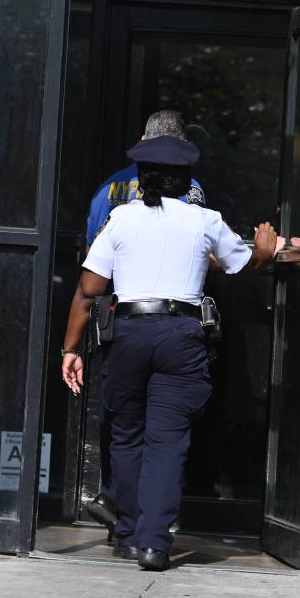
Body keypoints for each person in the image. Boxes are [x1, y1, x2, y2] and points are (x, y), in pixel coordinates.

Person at [60, 135, 280, 571]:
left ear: (141, 180)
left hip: (127, 333)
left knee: (125, 436)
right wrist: (265, 251)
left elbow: (88, 292)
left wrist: (70, 349)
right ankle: (153, 544)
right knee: (166, 442)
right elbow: (243, 265)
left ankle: (126, 534)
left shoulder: (120, 220)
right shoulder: (205, 220)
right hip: (182, 334)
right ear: (187, 180)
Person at [82, 110, 206, 538]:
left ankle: (118, 501)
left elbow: (91, 259)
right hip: (173, 317)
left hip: (116, 313)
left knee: (121, 420)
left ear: (143, 141)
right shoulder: (189, 190)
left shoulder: (107, 189)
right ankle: (153, 521)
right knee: (166, 428)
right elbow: (200, 251)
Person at [84, 110, 205, 247]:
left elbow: (91, 249)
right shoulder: (187, 187)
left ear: (143, 141)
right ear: (182, 146)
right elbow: (198, 246)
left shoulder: (106, 187)